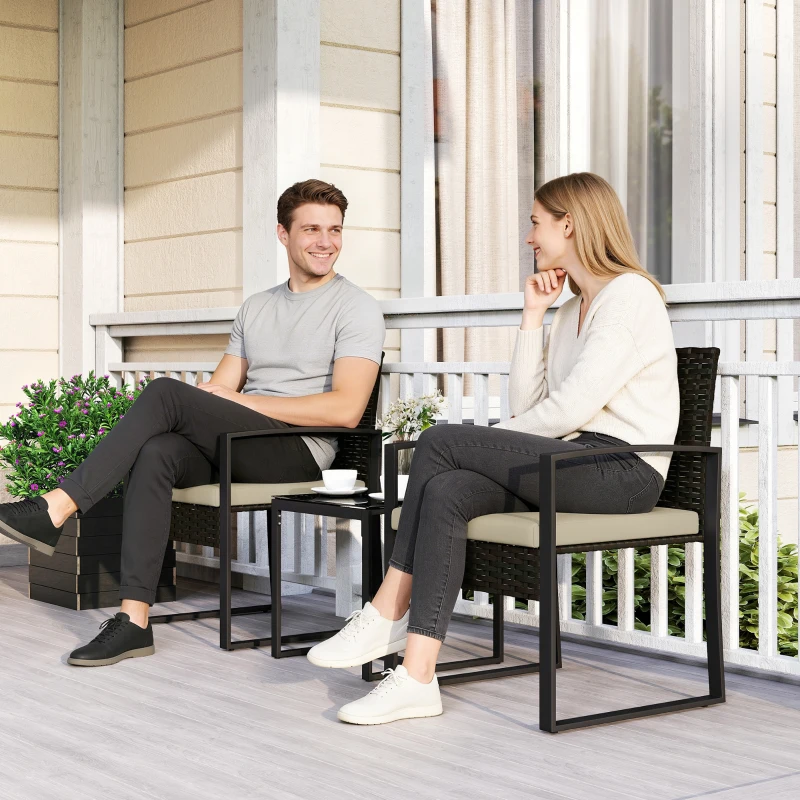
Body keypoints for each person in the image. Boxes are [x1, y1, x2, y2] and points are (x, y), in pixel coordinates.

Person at [306, 172, 680, 725]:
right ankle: (416, 676)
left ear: (569, 224)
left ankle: (387, 608)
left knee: (442, 441)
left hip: (622, 470)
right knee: (451, 489)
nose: (530, 237)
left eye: (536, 222)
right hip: (572, 460)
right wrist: (533, 317)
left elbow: (569, 411)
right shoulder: (574, 308)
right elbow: (535, 400)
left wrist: (492, 440)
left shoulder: (629, 295)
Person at [0, 179, 385, 667]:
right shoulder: (257, 307)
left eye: (334, 230)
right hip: (245, 440)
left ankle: (56, 507)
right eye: (311, 229)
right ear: (283, 234)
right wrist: (218, 403)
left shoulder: (356, 307)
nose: (325, 241)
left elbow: (345, 410)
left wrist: (241, 403)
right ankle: (134, 621)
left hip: (299, 449)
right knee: (159, 450)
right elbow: (218, 391)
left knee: (164, 392)